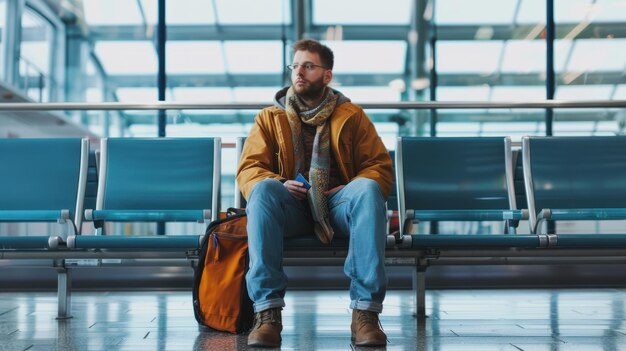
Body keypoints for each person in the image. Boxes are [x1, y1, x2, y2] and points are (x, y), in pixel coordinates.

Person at [237, 39, 393, 347]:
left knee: (367, 188)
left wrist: (349, 187)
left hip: (337, 205)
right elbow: (249, 170)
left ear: (327, 76)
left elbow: (379, 167)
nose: (299, 72)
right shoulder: (270, 118)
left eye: (308, 66)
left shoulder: (352, 116)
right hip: (291, 206)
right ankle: (267, 313)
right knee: (264, 188)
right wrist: (279, 183)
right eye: (295, 65)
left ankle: (365, 313)